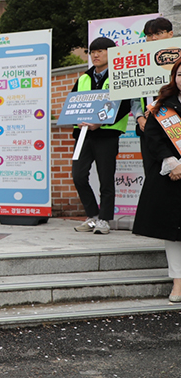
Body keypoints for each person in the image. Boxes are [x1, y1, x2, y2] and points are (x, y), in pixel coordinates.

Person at [71, 37, 132, 235]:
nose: (95, 55)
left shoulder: (119, 76)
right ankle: (92, 216)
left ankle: (104, 219)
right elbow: (73, 105)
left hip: (107, 134)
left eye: (100, 51)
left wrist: (102, 123)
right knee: (78, 175)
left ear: (111, 53)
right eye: (92, 52)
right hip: (84, 135)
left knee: (106, 177)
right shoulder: (83, 78)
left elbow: (124, 106)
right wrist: (77, 123)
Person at [132, 57, 181, 302]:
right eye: (180, 75)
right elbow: (153, 137)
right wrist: (172, 162)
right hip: (172, 176)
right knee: (173, 232)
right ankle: (178, 283)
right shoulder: (163, 106)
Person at [134, 17, 174, 133]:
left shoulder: (177, 58)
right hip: (147, 125)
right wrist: (139, 117)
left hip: (174, 122)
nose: (154, 38)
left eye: (158, 33)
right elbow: (134, 95)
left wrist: (157, 106)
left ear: (170, 34)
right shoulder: (138, 62)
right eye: (149, 35)